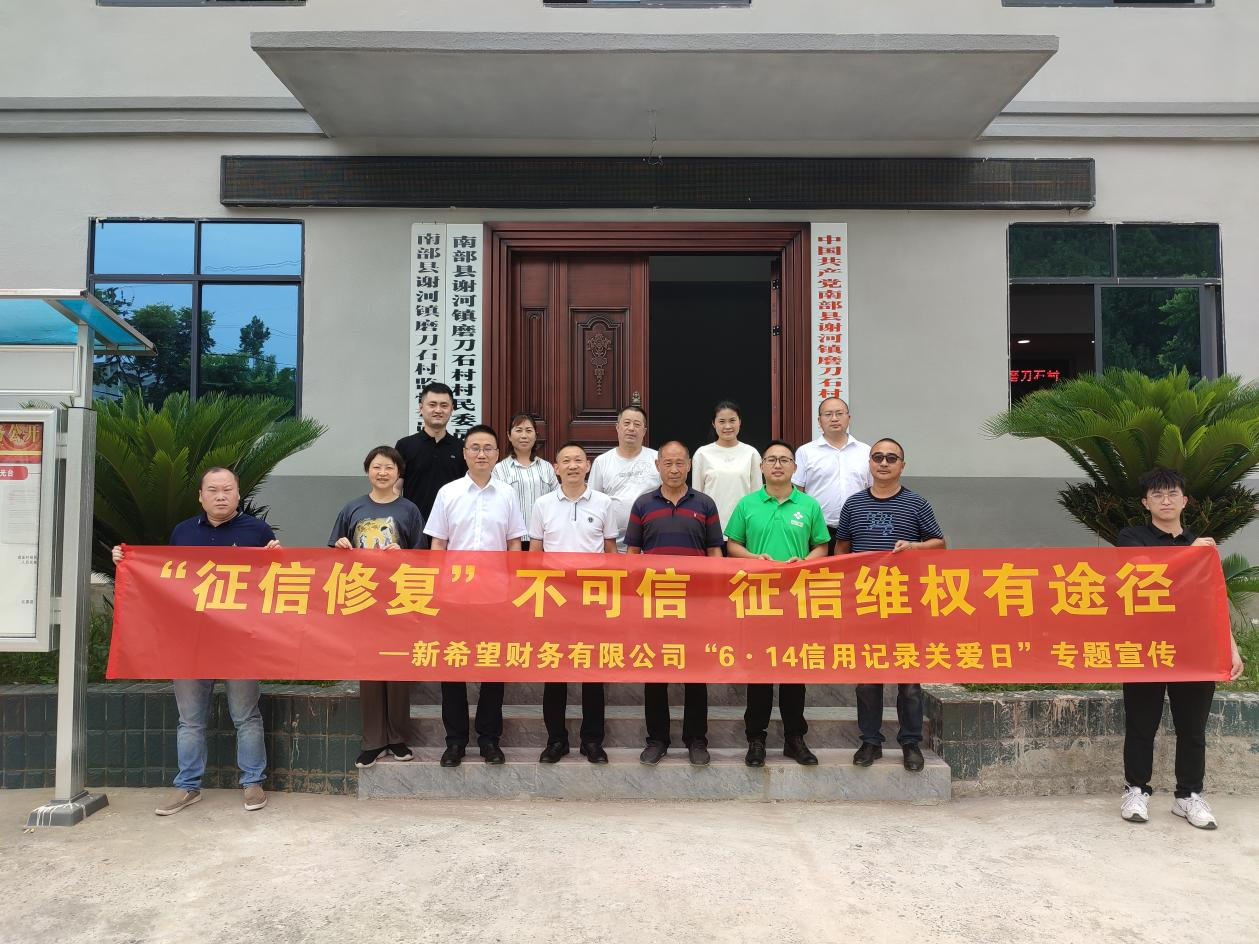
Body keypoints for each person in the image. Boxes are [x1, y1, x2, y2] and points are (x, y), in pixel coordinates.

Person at [111, 467, 280, 816]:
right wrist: (127, 562)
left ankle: (252, 782)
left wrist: (279, 560)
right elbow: (165, 576)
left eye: (227, 489)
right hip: (189, 641)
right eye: (213, 490)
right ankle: (187, 786)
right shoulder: (183, 532)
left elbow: (275, 583)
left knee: (246, 715)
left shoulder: (258, 531)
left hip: (239, 640)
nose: (221, 496)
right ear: (200, 496)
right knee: (190, 720)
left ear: (238, 495)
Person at [1116, 466, 1245, 830]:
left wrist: (1230, 647)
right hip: (1145, 647)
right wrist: (1192, 552)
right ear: (1146, 503)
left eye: (1173, 493)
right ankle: (1136, 790)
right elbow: (1144, 572)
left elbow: (1213, 600)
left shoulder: (1202, 547)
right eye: (1157, 495)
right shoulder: (1132, 537)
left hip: (1194, 649)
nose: (1166, 500)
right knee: (1141, 723)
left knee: (1193, 727)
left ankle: (1188, 796)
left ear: (1185, 501)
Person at [833, 438, 946, 772]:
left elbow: (939, 544)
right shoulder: (853, 504)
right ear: (869, 462)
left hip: (905, 604)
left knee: (908, 681)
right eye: (878, 457)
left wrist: (914, 547)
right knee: (867, 680)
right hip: (866, 603)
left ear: (902, 465)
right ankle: (870, 742)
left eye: (891, 458)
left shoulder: (917, 503)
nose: (883, 463)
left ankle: (910, 743)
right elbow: (841, 549)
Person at [424, 424, 527, 767]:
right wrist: (437, 586)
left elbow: (514, 542)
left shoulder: (508, 494)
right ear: (465, 453)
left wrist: (513, 585)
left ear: (497, 455)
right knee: (452, 668)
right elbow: (438, 542)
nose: (481, 454)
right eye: (475, 448)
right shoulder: (448, 493)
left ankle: (489, 739)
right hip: (454, 595)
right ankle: (455, 741)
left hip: (495, 596)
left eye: (488, 448)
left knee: (493, 666)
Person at [725, 440, 831, 768]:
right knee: (758, 671)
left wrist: (805, 562)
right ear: (761, 467)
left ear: (795, 468)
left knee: (793, 671)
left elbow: (822, 547)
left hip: (796, 601)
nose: (778, 465)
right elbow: (732, 545)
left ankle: (794, 738)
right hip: (757, 601)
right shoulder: (747, 504)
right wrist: (754, 558)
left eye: (784, 460)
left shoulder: (809, 505)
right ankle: (756, 738)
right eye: (771, 460)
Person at [624, 441, 725, 766]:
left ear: (690, 465)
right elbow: (632, 555)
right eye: (668, 463)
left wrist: (715, 597)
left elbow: (715, 552)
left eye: (680, 463)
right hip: (654, 604)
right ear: (657, 466)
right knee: (655, 672)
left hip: (695, 604)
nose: (674, 469)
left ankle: (696, 739)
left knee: (696, 672)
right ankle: (657, 739)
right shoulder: (643, 504)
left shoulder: (705, 504)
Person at [328, 445, 428, 769]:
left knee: (397, 669)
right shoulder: (352, 508)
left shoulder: (409, 510)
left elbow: (423, 557)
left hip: (399, 600)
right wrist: (341, 546)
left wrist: (405, 556)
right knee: (369, 670)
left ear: (398, 473)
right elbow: (335, 555)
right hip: (364, 599)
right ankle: (372, 741)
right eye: (377, 467)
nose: (382, 473)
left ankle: (397, 738)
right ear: (368, 471)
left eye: (389, 467)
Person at [529, 441, 619, 764]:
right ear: (556, 468)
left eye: (578, 460)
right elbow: (535, 554)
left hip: (592, 599)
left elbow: (611, 552)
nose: (572, 466)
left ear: (588, 465)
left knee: (593, 672)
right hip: (554, 599)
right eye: (565, 461)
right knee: (554, 671)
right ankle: (556, 740)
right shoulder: (542, 504)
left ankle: (592, 740)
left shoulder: (604, 503)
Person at [792, 397, 871, 552]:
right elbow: (797, 493)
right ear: (819, 420)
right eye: (828, 414)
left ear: (849, 418)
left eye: (839, 413)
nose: (834, 418)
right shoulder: (805, 452)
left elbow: (873, 489)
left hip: (859, 529)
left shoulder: (866, 451)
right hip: (818, 530)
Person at [588, 405, 661, 553]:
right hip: (611, 545)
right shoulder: (602, 462)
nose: (631, 428)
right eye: (626, 423)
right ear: (617, 427)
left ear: (644, 431)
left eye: (637, 424)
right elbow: (592, 503)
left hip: (651, 542)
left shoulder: (657, 459)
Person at [395, 381, 466, 519]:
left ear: (452, 409)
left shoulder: (462, 447)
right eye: (432, 405)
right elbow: (396, 488)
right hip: (414, 524)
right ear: (421, 408)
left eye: (444, 405)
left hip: (453, 523)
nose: (438, 410)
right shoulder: (405, 445)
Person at [691, 399, 762, 530]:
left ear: (740, 422)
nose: (727, 426)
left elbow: (757, 496)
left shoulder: (751, 453)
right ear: (714, 423)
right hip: (711, 526)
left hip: (743, 526)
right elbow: (697, 495)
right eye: (722, 421)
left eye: (732, 420)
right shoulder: (702, 454)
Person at [492, 411, 557, 550]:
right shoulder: (499, 469)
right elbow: (495, 505)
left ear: (535, 436)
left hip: (543, 539)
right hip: (512, 540)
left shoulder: (547, 467)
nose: (524, 435)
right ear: (509, 435)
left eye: (528, 430)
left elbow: (557, 501)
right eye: (518, 430)